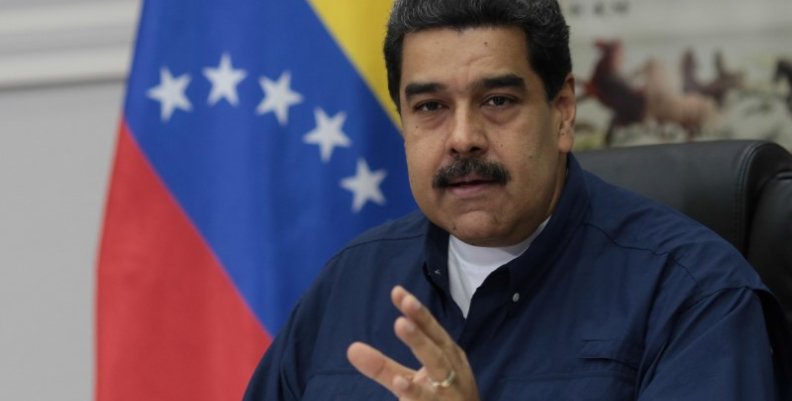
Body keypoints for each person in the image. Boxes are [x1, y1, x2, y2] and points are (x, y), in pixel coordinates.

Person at [243, 0, 792, 400]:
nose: (463, 137)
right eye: (431, 107)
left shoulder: (697, 296)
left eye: (498, 100)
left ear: (563, 111)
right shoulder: (349, 283)